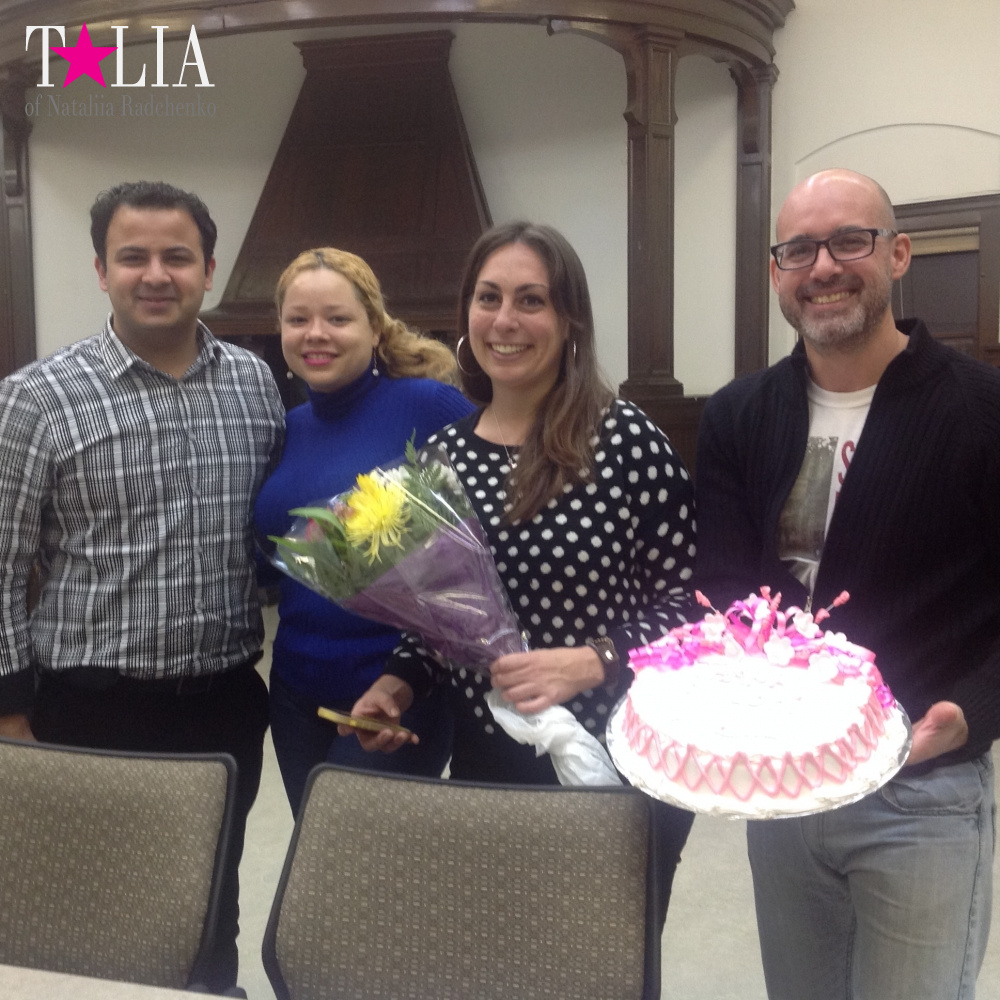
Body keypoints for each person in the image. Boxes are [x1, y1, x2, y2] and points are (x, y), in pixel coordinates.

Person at [694, 168, 999, 1000]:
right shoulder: (737, 415)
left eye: (849, 241)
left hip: (923, 785)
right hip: (784, 788)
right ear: (776, 275)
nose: (823, 265)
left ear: (897, 254)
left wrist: (974, 707)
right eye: (799, 249)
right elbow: (721, 587)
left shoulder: (981, 410)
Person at [344, 221, 698, 923]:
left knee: (605, 967)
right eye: (489, 297)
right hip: (490, 759)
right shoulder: (442, 456)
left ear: (570, 321)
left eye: (531, 300)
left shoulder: (625, 440)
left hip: (617, 756)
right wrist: (399, 681)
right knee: (504, 960)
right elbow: (437, 622)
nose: (505, 321)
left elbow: (692, 609)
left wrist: (591, 661)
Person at [0, 181, 285, 996]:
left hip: (226, 699)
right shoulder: (37, 399)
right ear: (101, 269)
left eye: (176, 257)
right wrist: (8, 710)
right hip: (90, 708)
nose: (155, 274)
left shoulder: (256, 384)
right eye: (134, 257)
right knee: (91, 916)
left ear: (209, 269)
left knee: (209, 903)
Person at [255, 247, 473, 814]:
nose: (315, 334)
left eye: (338, 318)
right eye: (298, 319)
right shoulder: (286, 427)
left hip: (398, 689)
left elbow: (488, 538)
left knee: (363, 869)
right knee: (320, 862)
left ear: (375, 327)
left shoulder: (429, 406)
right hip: (297, 690)